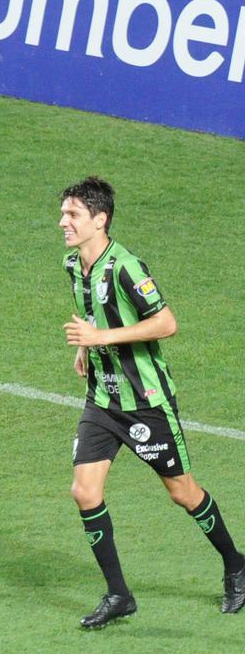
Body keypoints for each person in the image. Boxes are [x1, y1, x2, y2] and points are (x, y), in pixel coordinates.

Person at [59, 176, 245, 628]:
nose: (63, 222)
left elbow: (166, 323)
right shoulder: (72, 264)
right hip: (102, 401)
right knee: (84, 491)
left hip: (146, 405)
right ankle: (119, 595)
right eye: (63, 213)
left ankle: (237, 565)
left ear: (99, 220)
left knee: (183, 492)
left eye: (73, 215)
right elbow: (91, 309)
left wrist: (101, 337)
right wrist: (88, 346)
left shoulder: (126, 267)